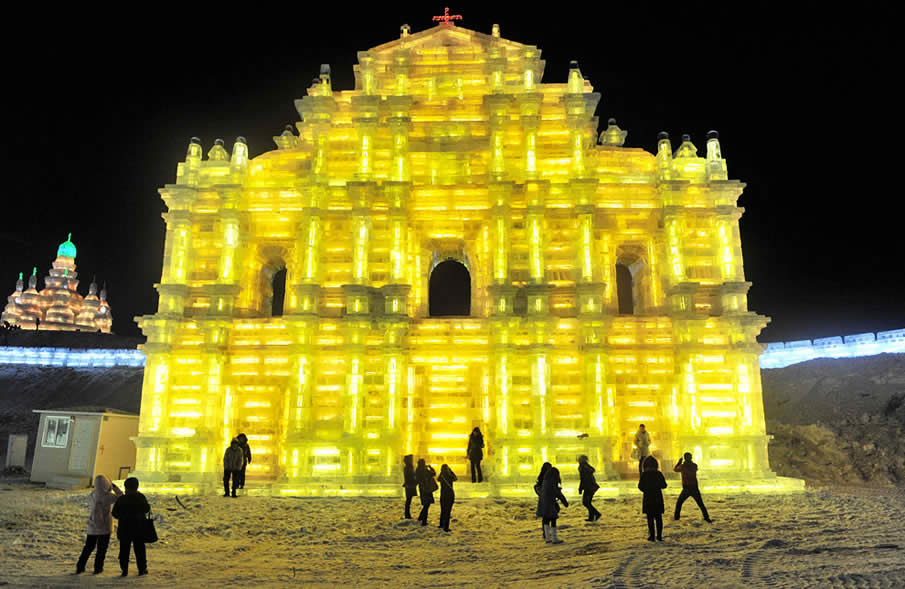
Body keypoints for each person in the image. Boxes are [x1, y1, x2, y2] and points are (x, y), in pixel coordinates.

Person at [75, 475, 122, 575]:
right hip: (105, 527)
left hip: (92, 526)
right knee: (101, 549)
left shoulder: (92, 495)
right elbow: (120, 497)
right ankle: (98, 567)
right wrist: (114, 488)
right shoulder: (108, 497)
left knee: (88, 547)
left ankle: (80, 566)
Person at [111, 477, 150, 576]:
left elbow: (115, 513)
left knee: (124, 550)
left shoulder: (122, 499)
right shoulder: (140, 497)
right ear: (137, 486)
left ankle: (124, 570)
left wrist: (123, 516)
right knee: (140, 549)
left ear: (125, 487)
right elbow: (146, 509)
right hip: (139, 528)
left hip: (124, 529)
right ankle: (142, 569)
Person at [673, 452, 711, 523]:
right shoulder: (694, 465)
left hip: (686, 488)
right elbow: (695, 469)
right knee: (700, 504)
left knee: (679, 503)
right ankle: (706, 517)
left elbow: (675, 469)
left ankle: (676, 518)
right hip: (694, 487)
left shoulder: (682, 466)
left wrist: (679, 463)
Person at [638, 456, 667, 542]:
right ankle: (659, 536)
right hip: (657, 497)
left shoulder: (644, 474)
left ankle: (652, 536)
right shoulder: (658, 474)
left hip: (648, 498)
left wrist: (647, 490)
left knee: (650, 518)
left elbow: (640, 486)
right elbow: (664, 485)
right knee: (658, 518)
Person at [536, 466, 568, 544]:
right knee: (553, 519)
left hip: (543, 502)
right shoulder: (552, 481)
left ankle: (547, 538)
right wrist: (564, 501)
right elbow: (557, 492)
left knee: (546, 520)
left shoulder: (545, 480)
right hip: (550, 503)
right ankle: (554, 538)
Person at [577, 455, 601, 522]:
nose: (579, 460)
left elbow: (583, 479)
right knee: (588, 502)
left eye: (580, 459)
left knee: (585, 502)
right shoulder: (585, 466)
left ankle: (596, 514)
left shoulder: (583, 467)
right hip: (590, 486)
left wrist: (580, 488)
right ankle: (591, 517)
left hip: (589, 487)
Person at [415, 459, 437, 526]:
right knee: (427, 504)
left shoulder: (418, 470)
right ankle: (423, 520)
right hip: (427, 489)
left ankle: (421, 518)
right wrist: (430, 468)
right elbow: (433, 473)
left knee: (426, 504)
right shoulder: (425, 470)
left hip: (422, 489)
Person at [534, 462, 553, 538]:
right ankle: (547, 534)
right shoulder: (548, 478)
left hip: (543, 500)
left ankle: (546, 533)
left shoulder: (541, 478)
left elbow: (537, 487)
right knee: (549, 517)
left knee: (546, 517)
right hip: (548, 500)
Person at [438, 464, 457, 532]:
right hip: (449, 494)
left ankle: (441, 524)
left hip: (443, 495)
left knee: (443, 510)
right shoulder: (449, 476)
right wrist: (451, 471)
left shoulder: (441, 476)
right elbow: (455, 478)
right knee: (448, 511)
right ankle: (446, 527)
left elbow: (438, 479)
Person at [402, 454, 417, 519]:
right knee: (408, 500)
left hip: (409, 485)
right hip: (410, 485)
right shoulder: (409, 467)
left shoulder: (406, 467)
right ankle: (407, 515)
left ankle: (407, 514)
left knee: (408, 500)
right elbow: (410, 476)